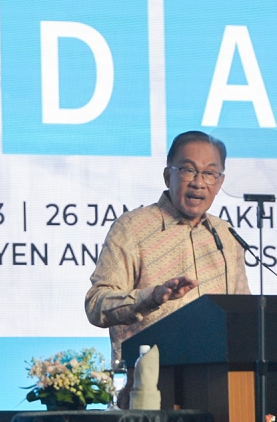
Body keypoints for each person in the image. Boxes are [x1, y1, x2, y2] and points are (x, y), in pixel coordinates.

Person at [85, 131, 251, 371]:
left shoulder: (226, 235)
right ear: (167, 176)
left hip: (219, 381)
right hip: (149, 382)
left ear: (220, 183)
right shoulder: (132, 228)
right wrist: (150, 297)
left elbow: (242, 313)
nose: (198, 182)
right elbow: (96, 305)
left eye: (209, 173)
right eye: (188, 170)